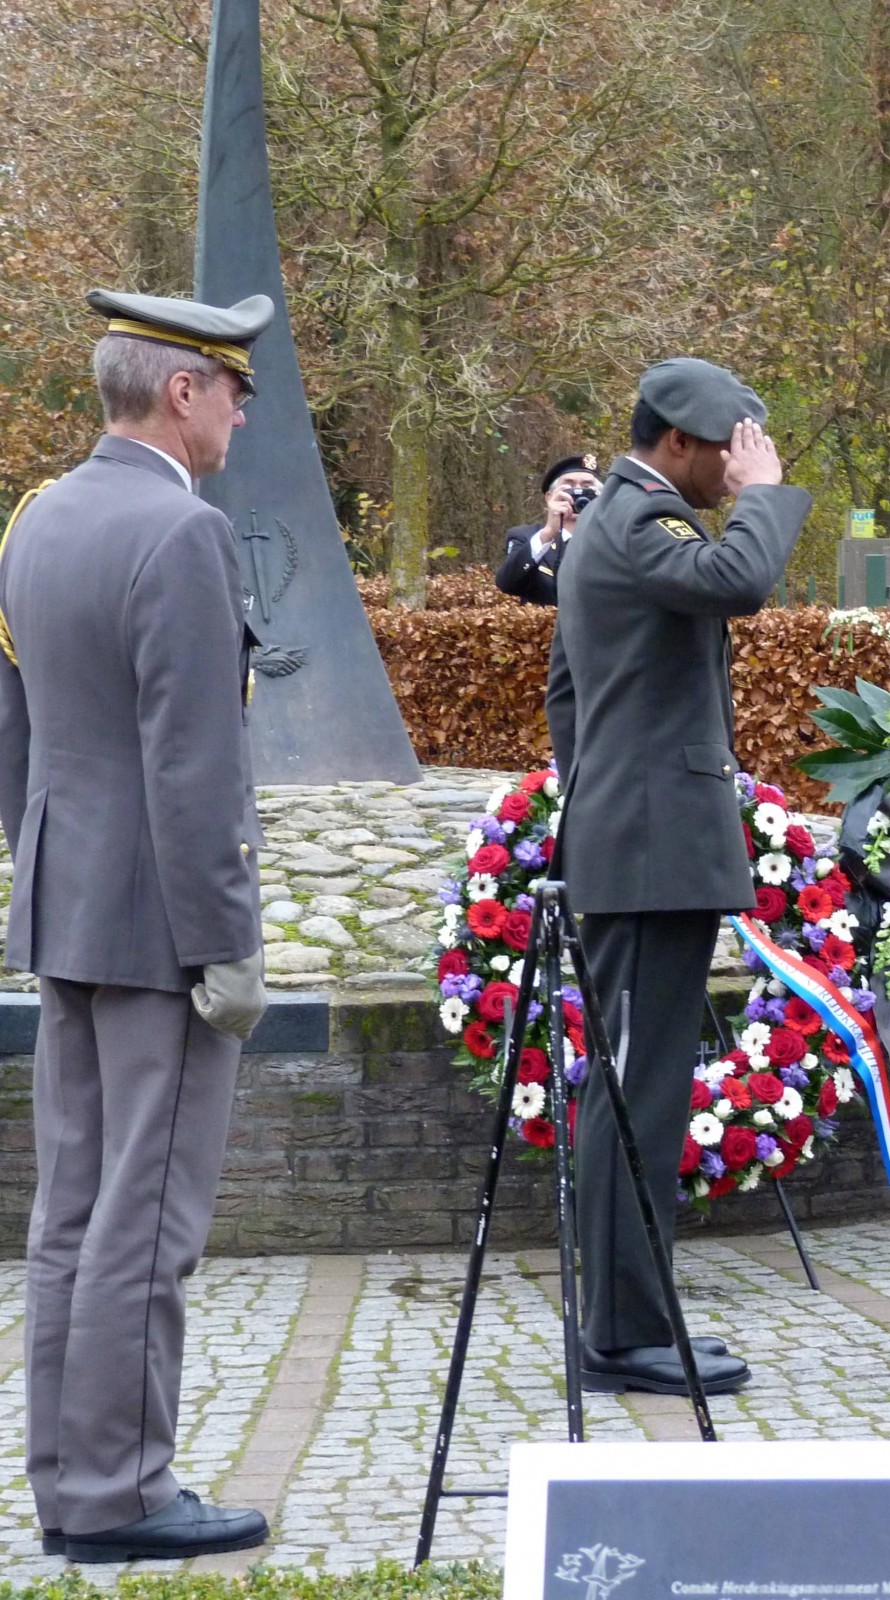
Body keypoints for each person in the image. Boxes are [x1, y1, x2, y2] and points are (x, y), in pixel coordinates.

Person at [0, 289, 275, 1563]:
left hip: (68, 910)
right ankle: (122, 1492)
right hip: (162, 928)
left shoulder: (35, 521)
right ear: (182, 390)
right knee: (145, 1222)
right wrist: (226, 941)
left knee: (71, 1213)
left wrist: (46, 874)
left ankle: (70, 1483)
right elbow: (196, 766)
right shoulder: (183, 534)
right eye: (233, 386)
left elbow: (19, 740)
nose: (238, 409)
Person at [545, 358, 810, 1397]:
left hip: (635, 837)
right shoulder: (640, 523)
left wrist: (606, 791)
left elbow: (569, 696)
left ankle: (626, 1320)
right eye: (727, 449)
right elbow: (736, 583)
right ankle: (624, 1334)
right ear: (680, 444)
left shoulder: (613, 522)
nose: (733, 467)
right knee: (637, 1095)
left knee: (632, 1090)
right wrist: (768, 495)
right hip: (651, 848)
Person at [495, 453, 604, 605]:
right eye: (569, 487)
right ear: (549, 497)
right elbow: (506, 583)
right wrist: (548, 532)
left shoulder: (612, 539)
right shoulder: (525, 536)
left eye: (587, 488)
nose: (578, 495)